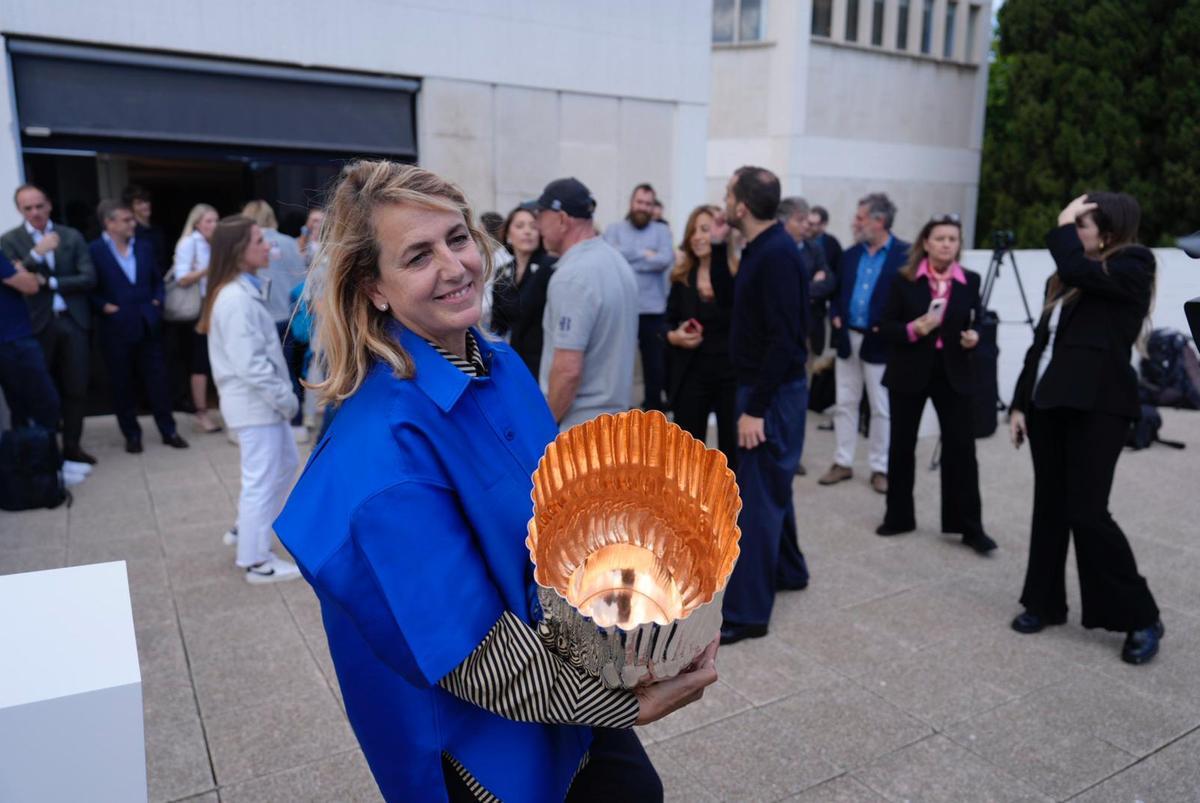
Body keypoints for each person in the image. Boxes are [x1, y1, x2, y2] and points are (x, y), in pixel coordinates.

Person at [272, 160, 716, 801]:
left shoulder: (499, 364)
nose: (454, 267)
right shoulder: (379, 453)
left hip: (569, 677)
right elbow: (475, 656)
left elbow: (558, 517)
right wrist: (632, 703)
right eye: (419, 255)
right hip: (481, 738)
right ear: (373, 287)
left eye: (457, 239)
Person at [1009, 192, 1163, 665]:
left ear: (1110, 233)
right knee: (1049, 507)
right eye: (1074, 226)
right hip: (1049, 404)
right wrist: (1019, 404)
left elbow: (1081, 270)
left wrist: (1060, 222)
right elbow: (1042, 345)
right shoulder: (1065, 278)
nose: (1075, 234)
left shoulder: (1134, 265)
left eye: (1082, 226)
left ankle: (1141, 615)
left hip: (1101, 408)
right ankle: (1043, 602)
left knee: (1088, 512)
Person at [717, 166, 810, 646]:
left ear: (742, 206)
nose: (724, 200)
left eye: (728, 194)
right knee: (770, 483)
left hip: (769, 395)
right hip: (762, 390)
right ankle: (791, 570)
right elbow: (735, 305)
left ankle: (749, 612)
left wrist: (755, 409)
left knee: (755, 496)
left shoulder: (776, 256)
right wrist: (716, 246)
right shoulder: (760, 248)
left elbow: (784, 341)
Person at [876, 215, 996, 554]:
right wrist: (916, 329)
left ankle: (969, 527)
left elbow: (980, 320)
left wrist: (976, 337)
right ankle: (899, 517)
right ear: (926, 243)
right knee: (901, 446)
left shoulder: (969, 280)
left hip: (954, 372)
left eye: (953, 239)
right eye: (940, 238)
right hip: (909, 371)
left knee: (962, 450)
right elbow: (884, 326)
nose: (947, 244)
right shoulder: (903, 280)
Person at [200, 215, 301, 583]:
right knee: (261, 478)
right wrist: (286, 400)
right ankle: (256, 561)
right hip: (256, 404)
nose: (268, 247)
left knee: (285, 464)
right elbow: (251, 365)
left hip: (259, 403)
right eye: (259, 240)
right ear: (239, 250)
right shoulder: (234, 298)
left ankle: (247, 532)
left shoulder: (239, 290)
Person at [819, 193, 909, 494]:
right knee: (845, 401)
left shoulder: (904, 255)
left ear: (878, 221)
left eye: (860, 218)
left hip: (881, 344)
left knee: (881, 407)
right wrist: (835, 315)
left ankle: (880, 467)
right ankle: (842, 461)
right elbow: (837, 292)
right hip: (848, 339)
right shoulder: (851, 254)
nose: (854, 223)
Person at [1, 184, 97, 465]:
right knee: (39, 393)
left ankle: (72, 447)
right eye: (27, 208)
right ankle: (46, 454)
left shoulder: (71, 235)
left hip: (72, 320)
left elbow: (88, 277)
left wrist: (51, 282)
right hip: (34, 325)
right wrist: (37, 254)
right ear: (19, 210)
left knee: (76, 387)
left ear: (49, 205)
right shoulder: (10, 241)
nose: (35, 213)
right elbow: (14, 280)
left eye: (39, 206)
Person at [88, 201, 188, 454]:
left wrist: (157, 303)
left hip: (148, 324)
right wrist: (103, 307)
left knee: (158, 381)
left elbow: (158, 280)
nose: (132, 224)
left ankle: (169, 431)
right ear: (109, 223)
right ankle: (132, 435)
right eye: (126, 220)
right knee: (122, 384)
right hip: (116, 329)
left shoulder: (144, 246)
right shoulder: (94, 250)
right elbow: (89, 287)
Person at [538, 178, 639, 429]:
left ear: (562, 219)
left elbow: (568, 370)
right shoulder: (616, 262)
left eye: (541, 215)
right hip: (613, 426)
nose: (537, 225)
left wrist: (545, 425)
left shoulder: (573, 276)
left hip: (579, 430)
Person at [664, 205, 737, 470]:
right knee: (687, 457)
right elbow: (665, 323)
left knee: (733, 455)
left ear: (721, 234)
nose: (697, 236)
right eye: (692, 231)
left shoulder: (737, 276)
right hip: (692, 374)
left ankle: (731, 510)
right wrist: (674, 337)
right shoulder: (682, 278)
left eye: (704, 229)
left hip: (731, 377)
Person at [603, 184, 676, 411]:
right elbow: (610, 259)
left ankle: (654, 411)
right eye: (639, 202)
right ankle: (617, 411)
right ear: (631, 203)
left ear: (653, 207)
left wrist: (626, 255)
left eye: (647, 203)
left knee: (654, 365)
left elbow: (664, 260)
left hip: (653, 310)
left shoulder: (662, 232)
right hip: (621, 309)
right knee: (617, 363)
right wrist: (646, 255)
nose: (642, 207)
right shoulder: (614, 229)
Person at [242, 200, 309, 442]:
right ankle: (297, 421)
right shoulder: (290, 243)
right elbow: (301, 281)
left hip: (265, 317)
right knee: (289, 369)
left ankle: (288, 421)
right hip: (289, 316)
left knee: (270, 373)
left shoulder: (249, 246)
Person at [170, 203, 222, 433]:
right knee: (199, 361)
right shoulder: (189, 243)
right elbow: (182, 278)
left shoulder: (213, 244)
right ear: (197, 223)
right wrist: (208, 269)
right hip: (197, 308)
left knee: (213, 358)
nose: (214, 225)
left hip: (214, 304)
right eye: (209, 220)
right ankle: (201, 412)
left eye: (216, 220)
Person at [490, 203, 557, 376]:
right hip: (511, 358)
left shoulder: (549, 267)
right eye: (519, 226)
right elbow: (497, 321)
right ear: (508, 235)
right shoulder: (503, 272)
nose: (527, 231)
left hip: (542, 360)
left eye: (533, 227)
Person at [122, 184, 168, 275]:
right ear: (130, 208)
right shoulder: (130, 232)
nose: (145, 205)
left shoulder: (157, 230)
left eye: (146, 201)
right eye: (139, 203)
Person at [808, 204, 843, 277]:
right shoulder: (801, 240)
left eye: (813, 224)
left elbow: (838, 269)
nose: (809, 227)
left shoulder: (832, 244)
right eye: (808, 223)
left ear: (823, 225)